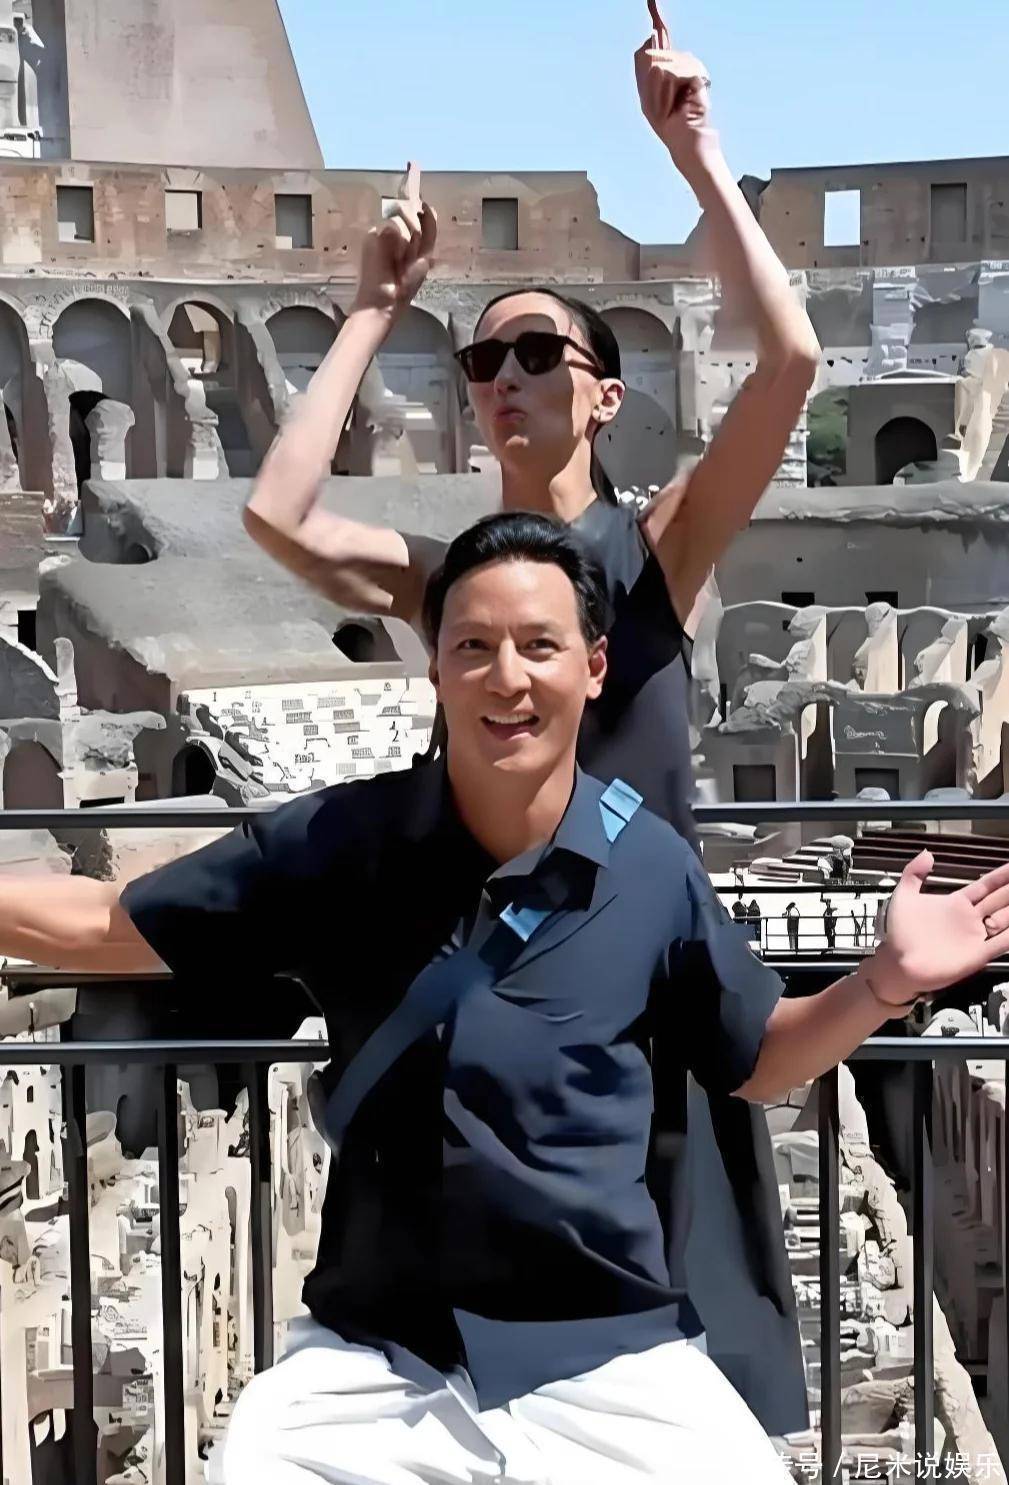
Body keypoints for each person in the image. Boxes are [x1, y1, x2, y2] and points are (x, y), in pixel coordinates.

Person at [5, 515, 1009, 1485]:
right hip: (380, 1352)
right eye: (473, 646)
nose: (506, 676)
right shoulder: (339, 845)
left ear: (593, 667)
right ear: (435, 671)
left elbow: (755, 1057)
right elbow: (105, 925)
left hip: (606, 1349)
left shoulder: (649, 867)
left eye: (538, 645)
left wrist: (878, 984)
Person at [242, 5, 823, 1431]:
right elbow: (277, 514)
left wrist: (696, 156)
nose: (504, 377)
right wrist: (372, 308)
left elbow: (790, 366)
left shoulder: (653, 548)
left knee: (674, 1367)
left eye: (537, 353)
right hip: (506, 1000)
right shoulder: (452, 580)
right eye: (482, 361)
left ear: (604, 394)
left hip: (643, 982)